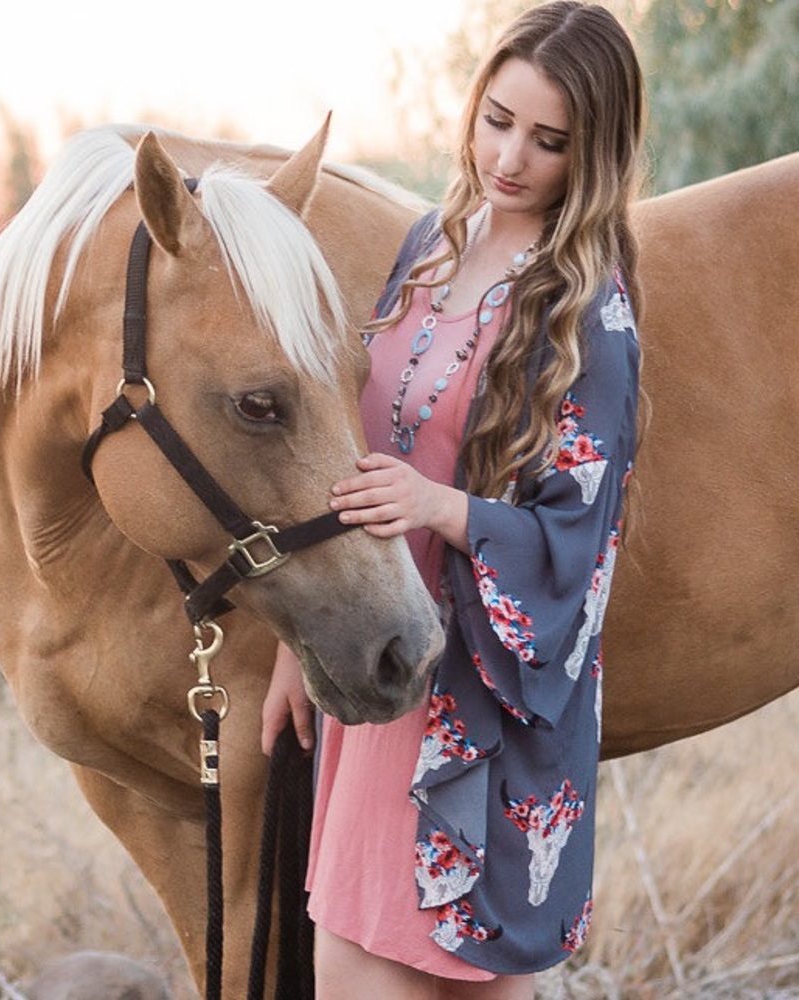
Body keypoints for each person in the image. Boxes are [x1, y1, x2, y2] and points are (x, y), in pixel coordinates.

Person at [261, 2, 646, 998]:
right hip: (378, 654)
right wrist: (298, 641)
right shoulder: (430, 244)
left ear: (590, 153)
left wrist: (439, 509)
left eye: (548, 140)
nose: (509, 156)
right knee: (351, 950)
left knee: (420, 966)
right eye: (496, 119)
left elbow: (579, 543)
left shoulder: (584, 311)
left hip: (478, 695)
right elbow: (349, 453)